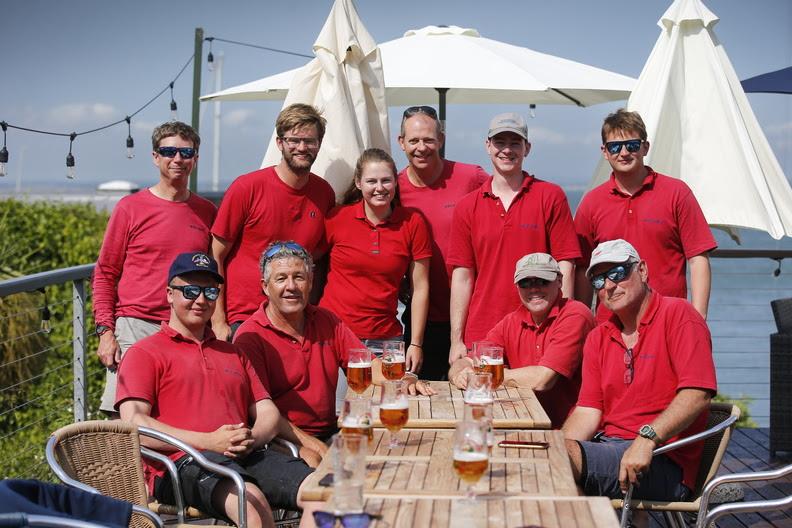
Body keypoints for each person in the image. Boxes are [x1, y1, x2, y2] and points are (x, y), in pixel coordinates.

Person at [116, 252, 318, 528]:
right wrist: (209, 441)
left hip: (246, 455)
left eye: (210, 292)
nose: (200, 300)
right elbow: (133, 423)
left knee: (325, 494)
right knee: (252, 505)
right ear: (169, 294)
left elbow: (267, 411)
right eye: (190, 290)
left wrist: (250, 438)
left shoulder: (232, 352)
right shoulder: (144, 353)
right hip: (182, 463)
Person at [562, 239, 717, 505]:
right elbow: (588, 410)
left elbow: (698, 393)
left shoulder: (679, 314)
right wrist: (557, 448)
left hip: (663, 457)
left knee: (553, 464)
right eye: (599, 280)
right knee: (547, 463)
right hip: (609, 448)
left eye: (618, 273)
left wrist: (647, 439)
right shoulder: (599, 337)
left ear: (642, 271)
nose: (609, 285)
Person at [234, 241, 434, 441]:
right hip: (281, 443)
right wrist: (314, 447)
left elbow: (370, 368)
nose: (291, 286)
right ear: (265, 287)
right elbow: (264, 415)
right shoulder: (251, 336)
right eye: (281, 279)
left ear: (310, 282)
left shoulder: (326, 320)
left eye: (299, 277)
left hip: (330, 431)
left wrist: (405, 379)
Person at [93, 121, 216, 415]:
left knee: (178, 412)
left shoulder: (208, 212)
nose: (178, 159)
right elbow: (105, 272)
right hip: (136, 325)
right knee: (125, 416)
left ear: (195, 159)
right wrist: (105, 332)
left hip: (188, 328)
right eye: (169, 151)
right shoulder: (130, 208)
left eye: (186, 152)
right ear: (155, 156)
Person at [447, 112, 580, 364]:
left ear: (527, 148)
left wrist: (564, 328)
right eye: (500, 142)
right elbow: (462, 277)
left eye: (515, 143)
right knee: (482, 402)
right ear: (488, 146)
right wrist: (456, 341)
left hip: (539, 330)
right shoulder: (467, 206)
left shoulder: (550, 196)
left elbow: (566, 265)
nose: (507, 150)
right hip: (482, 332)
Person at [574, 109, 717, 323]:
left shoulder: (676, 193)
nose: (624, 153)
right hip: (610, 325)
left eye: (631, 145)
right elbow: (583, 269)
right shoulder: (592, 203)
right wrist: (582, 324)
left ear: (645, 147)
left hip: (669, 322)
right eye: (615, 147)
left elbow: (698, 259)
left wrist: (697, 318)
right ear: (605, 152)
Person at [210, 103, 336, 340]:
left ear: (319, 145)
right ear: (280, 143)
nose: (302, 147)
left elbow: (318, 258)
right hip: (244, 319)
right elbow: (216, 255)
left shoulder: (324, 194)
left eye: (310, 141)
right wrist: (218, 320)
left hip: (296, 321)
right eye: (294, 140)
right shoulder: (247, 188)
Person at [448, 253, 595, 428]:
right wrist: (458, 375)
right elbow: (464, 362)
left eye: (542, 280)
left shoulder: (575, 314)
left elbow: (543, 380)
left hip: (570, 430)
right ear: (517, 287)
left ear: (559, 281)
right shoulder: (512, 321)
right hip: (525, 422)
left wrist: (486, 377)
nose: (534, 289)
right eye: (526, 282)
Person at [397, 105, 490, 380]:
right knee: (420, 400)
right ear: (401, 142)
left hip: (471, 315)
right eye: (413, 140)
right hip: (420, 320)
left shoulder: (470, 177)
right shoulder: (393, 188)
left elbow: (503, 205)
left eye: (428, 139)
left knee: (476, 399)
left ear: (441, 139)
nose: (421, 147)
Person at [320, 148, 432, 373]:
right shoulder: (336, 218)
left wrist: (416, 343)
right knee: (337, 408)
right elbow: (309, 266)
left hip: (386, 339)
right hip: (334, 335)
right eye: (371, 181)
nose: (379, 188)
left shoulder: (412, 222)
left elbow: (420, 287)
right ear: (358, 183)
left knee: (390, 405)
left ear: (395, 182)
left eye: (386, 181)